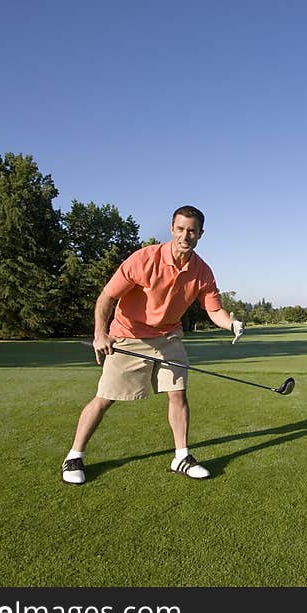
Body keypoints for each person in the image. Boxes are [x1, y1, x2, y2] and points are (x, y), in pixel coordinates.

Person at [61, 205, 244, 484]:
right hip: (129, 335)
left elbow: (214, 310)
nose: (185, 236)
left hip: (169, 336)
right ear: (172, 229)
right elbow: (107, 297)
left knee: (178, 393)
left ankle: (181, 456)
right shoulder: (144, 259)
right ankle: (74, 455)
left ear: (200, 234)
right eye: (181, 229)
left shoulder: (202, 272)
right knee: (105, 398)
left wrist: (231, 323)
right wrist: (101, 333)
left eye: (192, 231)